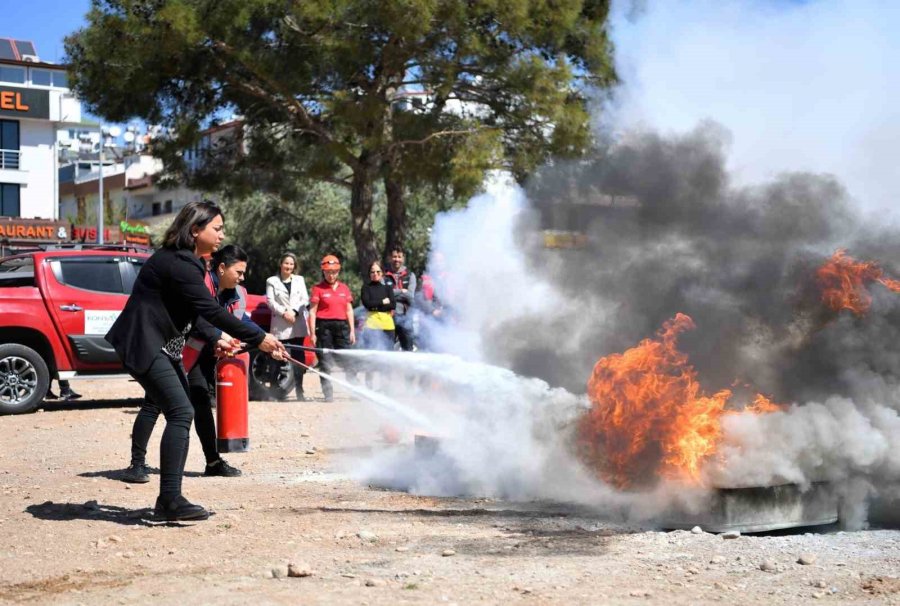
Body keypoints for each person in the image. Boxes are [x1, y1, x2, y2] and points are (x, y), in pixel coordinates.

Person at [105, 201, 285, 522]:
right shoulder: (180, 264)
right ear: (195, 230)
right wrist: (260, 338)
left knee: (181, 409)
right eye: (216, 228)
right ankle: (169, 500)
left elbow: (197, 314)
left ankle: (169, 499)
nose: (221, 235)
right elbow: (211, 310)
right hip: (145, 344)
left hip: (163, 346)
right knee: (181, 411)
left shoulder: (189, 263)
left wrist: (218, 337)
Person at [121, 244, 263, 485]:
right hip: (173, 350)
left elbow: (241, 321)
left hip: (200, 355)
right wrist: (220, 337)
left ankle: (213, 462)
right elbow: (200, 319)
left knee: (200, 403)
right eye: (238, 272)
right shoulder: (200, 282)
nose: (242, 277)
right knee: (153, 405)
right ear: (221, 268)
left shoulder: (236, 293)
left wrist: (265, 338)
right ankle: (136, 464)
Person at [308, 255, 355, 402]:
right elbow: (312, 311)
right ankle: (328, 394)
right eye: (328, 271)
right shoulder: (317, 289)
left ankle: (355, 391)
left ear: (338, 271)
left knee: (348, 359)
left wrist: (352, 330)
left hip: (342, 327)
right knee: (325, 361)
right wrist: (312, 333)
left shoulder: (344, 289)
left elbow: (349, 310)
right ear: (323, 272)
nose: (331, 274)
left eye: (334, 271)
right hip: (324, 327)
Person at [265, 252, 310, 401]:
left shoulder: (299, 280)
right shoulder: (272, 281)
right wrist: (285, 313)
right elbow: (271, 302)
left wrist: (295, 312)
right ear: (281, 264)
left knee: (298, 358)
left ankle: (300, 390)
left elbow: (304, 298)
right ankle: (273, 389)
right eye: (286, 263)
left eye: (291, 264)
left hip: (297, 324)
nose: (289, 266)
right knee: (277, 356)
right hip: (281, 324)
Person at [359, 260, 396, 387]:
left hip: (388, 326)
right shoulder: (366, 288)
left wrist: (376, 304)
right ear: (369, 274)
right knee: (371, 357)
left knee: (387, 358)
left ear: (382, 273)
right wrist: (382, 302)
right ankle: (369, 386)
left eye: (378, 271)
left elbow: (393, 304)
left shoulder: (388, 288)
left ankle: (386, 387)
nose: (375, 274)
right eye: (372, 272)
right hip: (372, 326)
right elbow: (367, 304)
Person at [385, 246, 417, 351]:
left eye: (399, 257)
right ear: (390, 258)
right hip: (388, 317)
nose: (397, 259)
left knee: (408, 350)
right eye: (394, 256)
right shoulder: (384, 276)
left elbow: (411, 297)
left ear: (403, 258)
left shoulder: (410, 275)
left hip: (406, 317)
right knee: (386, 350)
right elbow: (383, 295)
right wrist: (402, 291)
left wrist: (392, 294)